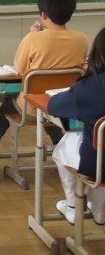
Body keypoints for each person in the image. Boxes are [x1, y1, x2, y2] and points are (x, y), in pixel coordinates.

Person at [0, 0, 88, 160]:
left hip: (32, 110)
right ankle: (57, 141)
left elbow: (19, 68)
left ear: (43, 15)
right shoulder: (81, 39)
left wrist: (34, 35)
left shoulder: (32, 39)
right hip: (64, 107)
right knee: (48, 99)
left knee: (12, 101)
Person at [48, 26, 105, 225]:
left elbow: (53, 106)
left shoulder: (90, 87)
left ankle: (73, 206)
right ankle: (100, 210)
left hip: (99, 166)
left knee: (68, 142)